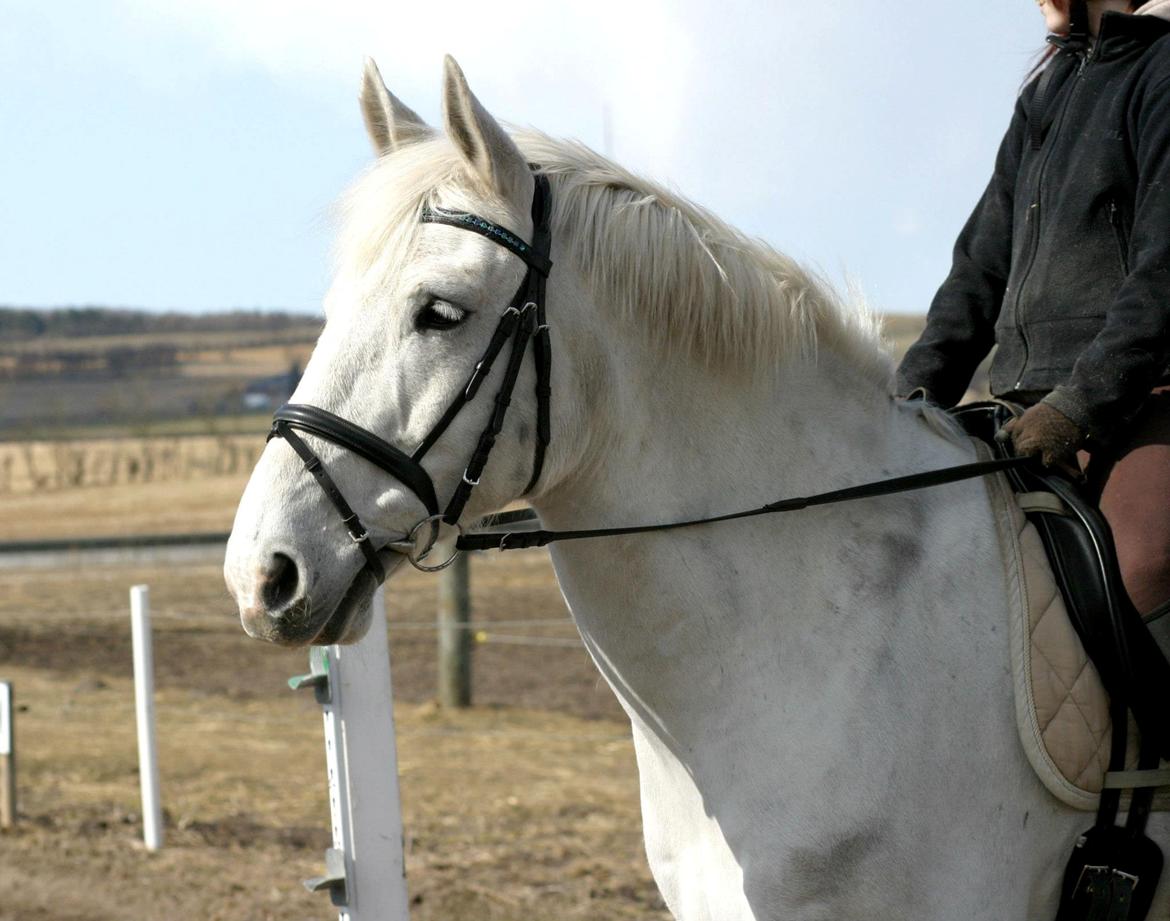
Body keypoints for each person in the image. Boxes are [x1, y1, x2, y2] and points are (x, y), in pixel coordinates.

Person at [896, 0, 1170, 637]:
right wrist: (910, 396)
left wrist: (1080, 406)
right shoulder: (1044, 94)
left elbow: (1164, 271)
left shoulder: (1161, 66)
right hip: (1027, 412)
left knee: (1144, 568)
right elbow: (978, 271)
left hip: (1145, 397)